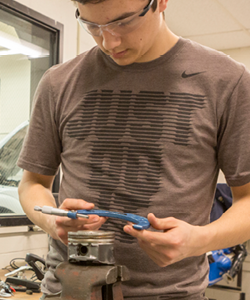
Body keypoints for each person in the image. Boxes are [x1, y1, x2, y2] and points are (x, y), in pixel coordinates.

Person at [16, 0, 250, 298]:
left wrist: (200, 240)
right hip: (69, 289)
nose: (109, 41)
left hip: (172, 293)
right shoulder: (58, 83)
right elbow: (32, 184)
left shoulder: (228, 82)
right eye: (92, 26)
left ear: (161, 2)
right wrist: (53, 221)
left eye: (124, 22)